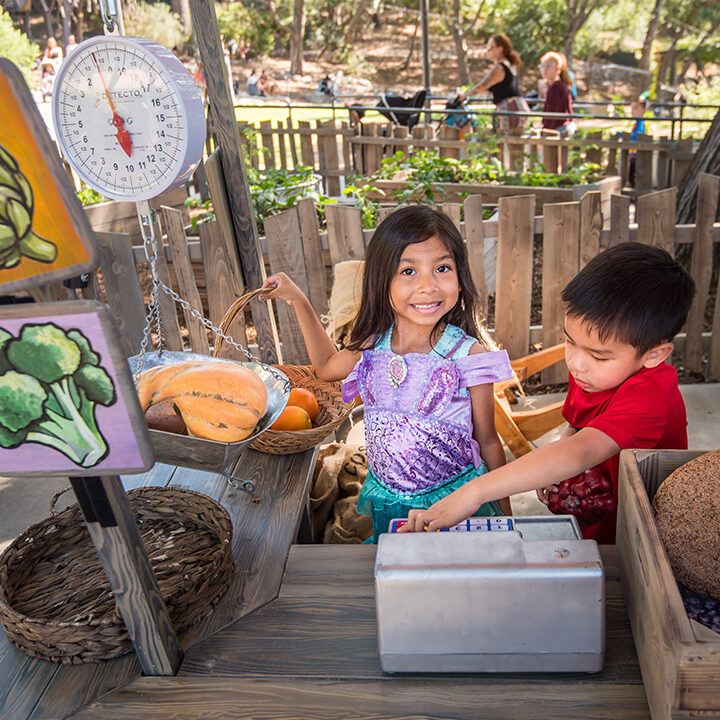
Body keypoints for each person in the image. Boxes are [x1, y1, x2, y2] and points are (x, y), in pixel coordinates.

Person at [400, 243, 695, 543]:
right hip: (597, 513)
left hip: (643, 532)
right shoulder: (593, 375)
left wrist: (473, 492)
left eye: (599, 356)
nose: (577, 364)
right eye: (570, 342)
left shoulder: (651, 395)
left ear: (654, 355)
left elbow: (583, 450)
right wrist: (552, 466)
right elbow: (576, 429)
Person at [259, 206, 513, 542]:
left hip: (453, 508)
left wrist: (507, 522)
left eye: (442, 268)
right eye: (409, 271)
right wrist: (298, 299)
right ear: (383, 280)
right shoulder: (373, 343)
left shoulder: (468, 356)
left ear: (459, 273)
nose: (428, 286)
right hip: (388, 503)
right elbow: (326, 368)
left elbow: (489, 441)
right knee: (398, 582)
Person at [457, 34, 529, 134]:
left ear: (500, 48)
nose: (488, 50)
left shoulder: (500, 67)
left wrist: (464, 96)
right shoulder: (508, 64)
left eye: (491, 47)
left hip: (510, 109)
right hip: (514, 107)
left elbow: (482, 86)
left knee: (508, 144)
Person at [539, 51, 574, 137]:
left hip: (558, 128)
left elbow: (552, 113)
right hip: (561, 126)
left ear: (558, 69)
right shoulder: (556, 85)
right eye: (542, 66)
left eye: (548, 66)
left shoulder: (556, 86)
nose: (545, 69)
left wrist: (545, 132)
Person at [627, 96, 648, 187]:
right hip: (633, 153)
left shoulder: (642, 124)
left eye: (636, 108)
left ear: (644, 110)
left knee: (634, 175)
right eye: (632, 109)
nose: (632, 112)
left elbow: (639, 135)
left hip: (637, 153)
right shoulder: (637, 123)